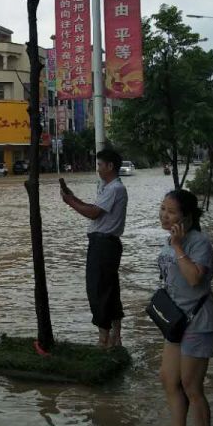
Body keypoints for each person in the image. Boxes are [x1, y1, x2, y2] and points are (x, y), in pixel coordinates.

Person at [156, 189, 213, 426]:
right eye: (162, 209)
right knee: (169, 379)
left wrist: (179, 247)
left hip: (198, 322)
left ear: (188, 217)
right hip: (176, 321)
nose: (165, 216)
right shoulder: (169, 240)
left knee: (192, 386)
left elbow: (195, 279)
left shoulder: (198, 243)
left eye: (171, 212)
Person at [61, 148, 128, 348]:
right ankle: (115, 337)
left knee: (97, 290)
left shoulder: (114, 188)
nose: (97, 168)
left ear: (110, 166)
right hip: (106, 243)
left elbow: (93, 213)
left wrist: (70, 202)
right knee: (110, 288)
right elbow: (94, 208)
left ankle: (103, 339)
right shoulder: (109, 187)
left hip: (103, 244)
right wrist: (73, 198)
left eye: (100, 164)